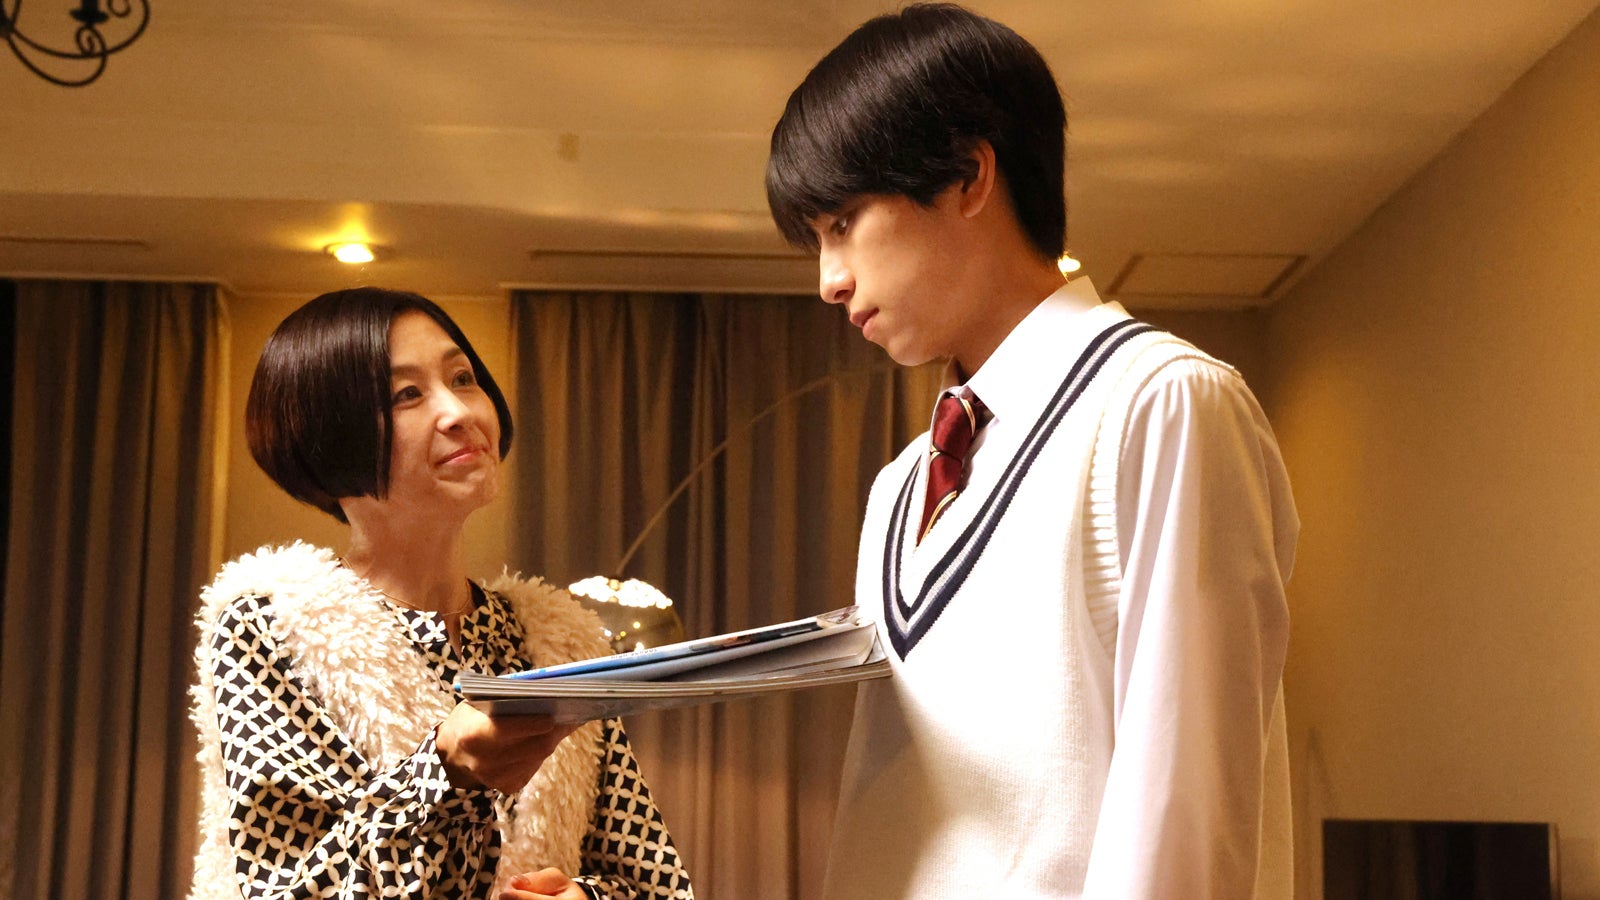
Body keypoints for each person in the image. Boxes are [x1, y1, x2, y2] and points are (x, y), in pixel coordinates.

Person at [766, 5, 1296, 898]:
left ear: (969, 175)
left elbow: (1185, 832)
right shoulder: (899, 487)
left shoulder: (1158, 404)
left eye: (844, 222)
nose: (829, 280)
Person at [187, 288, 694, 900]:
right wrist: (445, 772)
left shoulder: (562, 642)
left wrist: (585, 897)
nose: (458, 411)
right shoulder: (275, 626)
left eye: (463, 377)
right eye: (407, 394)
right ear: (326, 433)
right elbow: (290, 889)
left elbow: (658, 885)